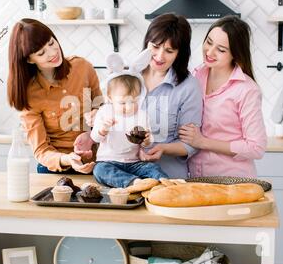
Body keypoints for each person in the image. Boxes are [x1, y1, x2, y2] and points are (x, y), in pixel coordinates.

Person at [75, 13, 203, 179]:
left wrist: (162, 148)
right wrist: (93, 130)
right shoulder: (126, 76)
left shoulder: (188, 87)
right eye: (155, 47)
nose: (159, 56)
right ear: (146, 43)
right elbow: (110, 116)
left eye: (169, 51)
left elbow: (190, 144)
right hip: (120, 172)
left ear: (180, 53)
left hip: (166, 176)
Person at [7, 18, 102, 174]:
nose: (52, 53)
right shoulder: (30, 95)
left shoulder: (83, 68)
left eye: (51, 43)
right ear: (29, 59)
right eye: (41, 53)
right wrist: (68, 158)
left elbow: (103, 107)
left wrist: (98, 115)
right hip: (55, 169)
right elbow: (41, 150)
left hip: (96, 164)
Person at [178, 15, 267, 178]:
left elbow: (256, 147)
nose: (210, 52)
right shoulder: (195, 77)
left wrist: (202, 142)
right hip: (196, 180)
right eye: (209, 42)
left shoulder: (246, 90)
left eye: (221, 49)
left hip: (233, 182)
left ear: (235, 53)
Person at [91, 50, 169, 188]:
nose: (128, 107)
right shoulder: (105, 111)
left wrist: (147, 140)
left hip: (134, 163)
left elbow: (147, 142)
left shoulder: (142, 114)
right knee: (99, 171)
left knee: (152, 168)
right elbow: (95, 138)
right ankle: (134, 182)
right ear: (109, 98)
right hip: (109, 161)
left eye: (133, 102)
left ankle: (164, 182)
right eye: (122, 103)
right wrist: (103, 129)